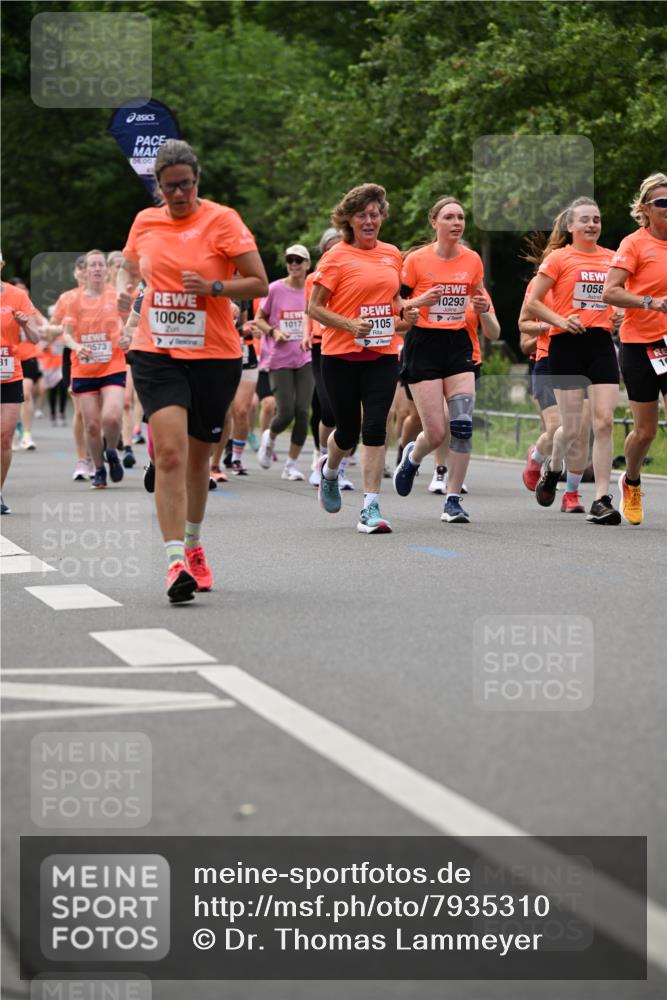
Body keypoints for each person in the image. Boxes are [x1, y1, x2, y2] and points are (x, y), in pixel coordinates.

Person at [119, 139, 268, 603]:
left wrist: (214, 286)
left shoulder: (223, 220)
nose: (179, 195)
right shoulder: (146, 221)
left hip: (214, 353)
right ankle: (173, 563)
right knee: (168, 453)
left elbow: (258, 281)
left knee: (201, 460)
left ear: (196, 180)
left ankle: (194, 544)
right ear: (158, 188)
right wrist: (127, 294)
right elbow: (128, 268)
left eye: (185, 185)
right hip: (157, 349)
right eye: (169, 188)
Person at [308, 183, 419, 533]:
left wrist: (406, 315)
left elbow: (394, 301)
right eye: (362, 215)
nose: (369, 221)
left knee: (375, 427)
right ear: (349, 221)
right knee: (347, 431)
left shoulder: (392, 254)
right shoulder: (336, 256)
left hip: (382, 354)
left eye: (375, 214)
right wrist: (349, 325)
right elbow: (315, 308)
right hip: (340, 355)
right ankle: (329, 470)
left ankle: (370, 508)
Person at [527, 198, 621, 524]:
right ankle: (552, 470)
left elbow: (620, 296)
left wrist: (621, 313)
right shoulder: (558, 258)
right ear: (570, 226)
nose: (592, 225)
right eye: (584, 220)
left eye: (596, 219)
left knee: (604, 422)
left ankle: (602, 499)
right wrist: (560, 320)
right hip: (565, 345)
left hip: (600, 343)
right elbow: (534, 302)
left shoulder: (612, 259)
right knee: (570, 429)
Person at [393, 196, 486, 523]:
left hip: (458, 343)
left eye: (461, 217)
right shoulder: (416, 261)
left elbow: (478, 293)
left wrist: (483, 306)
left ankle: (453, 498)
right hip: (424, 344)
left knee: (461, 425)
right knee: (435, 432)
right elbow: (396, 306)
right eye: (449, 217)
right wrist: (420, 300)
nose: (457, 223)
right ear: (434, 222)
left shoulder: (472, 260)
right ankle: (413, 457)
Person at [603, 172, 667, 525]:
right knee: (645, 431)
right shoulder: (634, 244)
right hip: (640, 343)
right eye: (663, 203)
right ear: (646, 208)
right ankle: (631, 480)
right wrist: (650, 302)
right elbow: (610, 292)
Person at [62, 249, 129, 489]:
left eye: (102, 264)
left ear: (107, 270)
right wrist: (77, 346)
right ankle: (99, 468)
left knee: (111, 416)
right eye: (93, 265)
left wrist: (127, 338)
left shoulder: (116, 296)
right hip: (84, 368)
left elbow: (131, 323)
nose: (98, 268)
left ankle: (111, 450)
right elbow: (66, 336)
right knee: (91, 424)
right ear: (85, 271)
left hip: (113, 364)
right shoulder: (73, 300)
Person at [254, 245, 314, 480]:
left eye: (299, 260)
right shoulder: (275, 289)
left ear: (308, 264)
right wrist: (273, 332)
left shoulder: (312, 290)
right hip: (279, 357)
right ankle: (269, 435)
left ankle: (291, 464)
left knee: (302, 411)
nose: (294, 264)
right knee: (286, 411)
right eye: (290, 260)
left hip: (305, 356)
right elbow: (259, 319)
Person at [302, 227, 354, 490]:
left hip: (347, 344)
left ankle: (340, 468)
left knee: (350, 414)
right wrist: (305, 334)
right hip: (321, 346)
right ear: (324, 251)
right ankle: (321, 459)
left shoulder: (353, 272)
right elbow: (308, 310)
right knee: (328, 408)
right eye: (332, 247)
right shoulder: (314, 278)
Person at [0, 252, 42, 513]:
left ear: (1, 264)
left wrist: (25, 326)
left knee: (4, 438)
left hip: (9, 374)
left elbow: (36, 339)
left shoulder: (17, 296)